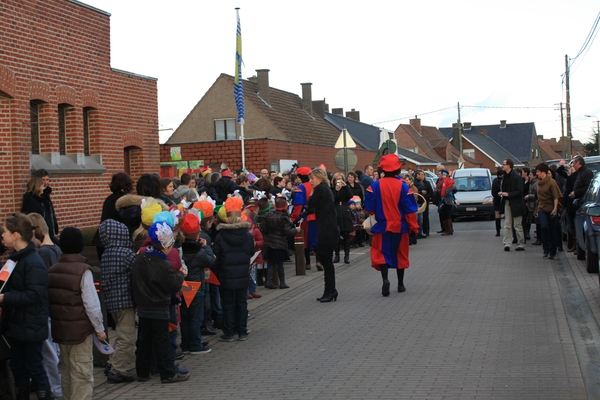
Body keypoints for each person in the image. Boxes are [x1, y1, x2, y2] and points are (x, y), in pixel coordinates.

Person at [47, 227, 106, 400]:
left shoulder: (52, 270)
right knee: (82, 376)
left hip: (60, 332)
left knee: (66, 373)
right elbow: (91, 304)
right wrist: (99, 328)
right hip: (80, 332)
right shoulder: (83, 271)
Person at [0, 213, 52, 400]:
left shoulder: (33, 262)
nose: (2, 235)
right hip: (16, 325)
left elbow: (34, 295)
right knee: (18, 368)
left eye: (4, 231)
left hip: (30, 325)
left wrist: (6, 298)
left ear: (15, 235)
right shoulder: (15, 259)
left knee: (35, 367)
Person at [132, 221, 188, 384]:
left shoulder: (140, 260)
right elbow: (171, 284)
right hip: (159, 307)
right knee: (162, 340)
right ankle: (167, 373)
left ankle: (142, 371)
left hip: (143, 307)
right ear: (165, 246)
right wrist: (180, 275)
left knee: (144, 340)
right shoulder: (163, 265)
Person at [364, 155, 419, 296]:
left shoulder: (373, 186)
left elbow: (369, 208)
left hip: (382, 226)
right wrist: (414, 227)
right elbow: (410, 210)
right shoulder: (404, 187)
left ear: (382, 168)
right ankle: (400, 284)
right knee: (400, 254)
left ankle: (385, 279)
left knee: (382, 253)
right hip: (400, 227)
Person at [98, 219, 137, 383]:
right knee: (127, 337)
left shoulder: (106, 253)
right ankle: (118, 369)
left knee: (121, 334)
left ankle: (112, 362)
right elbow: (137, 268)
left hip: (112, 302)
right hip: (125, 301)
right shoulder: (126, 253)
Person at [29, 213, 63, 399]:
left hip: (47, 310)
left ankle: (56, 390)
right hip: (56, 307)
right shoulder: (55, 249)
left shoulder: (42, 253)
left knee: (50, 355)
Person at [213, 197, 255, 342]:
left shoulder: (220, 236)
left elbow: (216, 257)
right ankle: (242, 331)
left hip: (226, 275)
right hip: (243, 274)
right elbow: (251, 252)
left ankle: (229, 332)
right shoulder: (247, 235)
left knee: (228, 304)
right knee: (241, 303)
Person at [180, 212, 214, 355]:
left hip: (183, 286)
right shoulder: (199, 251)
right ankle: (195, 343)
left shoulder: (180, 249)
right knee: (196, 317)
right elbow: (211, 261)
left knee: (185, 317)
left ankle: (186, 342)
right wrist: (207, 247)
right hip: (196, 287)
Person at [307, 168, 339, 302]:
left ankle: (330, 290)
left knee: (326, 262)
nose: (310, 181)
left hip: (327, 229)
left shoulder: (321, 189)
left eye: (312, 178)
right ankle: (329, 290)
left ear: (320, 178)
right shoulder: (325, 189)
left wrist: (313, 191)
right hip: (329, 228)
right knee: (326, 261)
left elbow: (310, 203)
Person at [262, 197, 300, 289]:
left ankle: (269, 281)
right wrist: (296, 230)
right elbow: (287, 232)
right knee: (279, 263)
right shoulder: (284, 218)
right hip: (280, 243)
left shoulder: (268, 216)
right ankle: (282, 282)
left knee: (271, 263)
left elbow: (265, 229)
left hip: (270, 242)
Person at [291, 167, 320, 271]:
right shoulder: (316, 186)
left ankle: (307, 263)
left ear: (300, 177)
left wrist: (294, 218)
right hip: (318, 217)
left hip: (306, 217)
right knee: (316, 239)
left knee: (306, 241)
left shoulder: (300, 188)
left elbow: (298, 206)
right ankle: (318, 261)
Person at [534, 163, 563, 259]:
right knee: (544, 227)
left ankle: (552, 251)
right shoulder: (538, 182)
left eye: (538, 172)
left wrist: (555, 209)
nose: (537, 173)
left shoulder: (551, 182)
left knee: (552, 229)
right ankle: (545, 249)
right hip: (541, 207)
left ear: (543, 172)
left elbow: (556, 196)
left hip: (551, 208)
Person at [499, 158, 526, 251]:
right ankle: (507, 243)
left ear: (509, 165)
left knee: (517, 225)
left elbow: (520, 191)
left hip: (516, 203)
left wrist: (508, 194)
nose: (503, 166)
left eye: (504, 164)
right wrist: (503, 193)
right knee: (507, 224)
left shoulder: (517, 177)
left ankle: (521, 244)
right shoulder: (505, 177)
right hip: (507, 202)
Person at [331, 172, 354, 264]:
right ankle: (337, 255)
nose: (339, 181)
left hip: (344, 210)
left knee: (346, 234)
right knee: (336, 234)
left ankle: (347, 255)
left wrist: (345, 187)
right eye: (337, 179)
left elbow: (350, 196)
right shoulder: (332, 188)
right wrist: (336, 190)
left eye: (340, 179)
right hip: (336, 210)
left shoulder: (345, 188)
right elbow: (332, 199)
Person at [33, 169, 59, 244]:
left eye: (47, 179)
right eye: (43, 180)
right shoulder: (34, 198)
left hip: (50, 232)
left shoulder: (46, 195)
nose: (45, 182)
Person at [438, 170, 457, 236]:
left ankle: (449, 230)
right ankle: (446, 229)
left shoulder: (448, 181)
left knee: (447, 215)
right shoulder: (441, 181)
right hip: (442, 200)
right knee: (443, 215)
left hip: (447, 201)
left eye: (443, 175)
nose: (442, 176)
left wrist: (446, 192)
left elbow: (453, 188)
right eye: (442, 175)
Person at [415, 170, 433, 237]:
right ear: (417, 175)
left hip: (425, 202)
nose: (422, 176)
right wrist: (421, 193)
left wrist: (425, 197)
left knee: (425, 217)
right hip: (418, 201)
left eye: (423, 174)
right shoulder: (415, 183)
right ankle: (419, 232)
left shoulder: (427, 183)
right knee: (418, 218)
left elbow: (431, 192)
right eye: (421, 174)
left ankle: (426, 231)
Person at [492, 167, 505, 237]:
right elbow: (493, 192)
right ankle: (498, 230)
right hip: (498, 200)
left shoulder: (505, 181)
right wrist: (498, 195)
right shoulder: (495, 182)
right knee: (498, 215)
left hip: (505, 199)